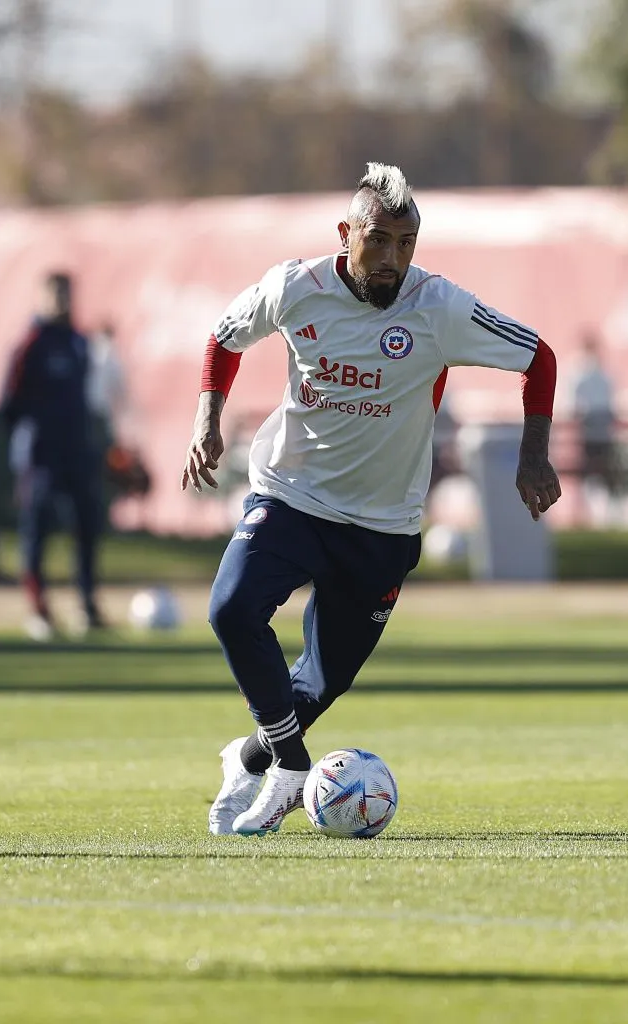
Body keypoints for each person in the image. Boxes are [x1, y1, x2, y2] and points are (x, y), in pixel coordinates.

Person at [182, 163, 561, 836]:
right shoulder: (294, 288)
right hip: (290, 495)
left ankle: (247, 760)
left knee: (318, 685)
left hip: (383, 526)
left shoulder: (438, 308)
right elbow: (223, 336)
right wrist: (207, 419)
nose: (392, 259)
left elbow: (539, 357)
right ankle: (293, 770)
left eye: (406, 243)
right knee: (232, 609)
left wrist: (533, 455)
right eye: (379, 240)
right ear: (345, 234)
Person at [1, 271, 104, 640]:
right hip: (41, 455)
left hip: (76, 451)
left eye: (67, 293)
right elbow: (8, 402)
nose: (62, 301)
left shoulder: (79, 341)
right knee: (37, 531)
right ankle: (39, 609)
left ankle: (87, 605)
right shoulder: (31, 343)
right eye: (56, 294)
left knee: (86, 526)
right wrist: (35, 434)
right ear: (43, 297)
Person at [565, 332, 617, 524]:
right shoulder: (585, 372)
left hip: (597, 429)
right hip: (590, 430)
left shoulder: (596, 373)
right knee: (589, 472)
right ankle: (589, 513)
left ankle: (598, 514)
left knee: (596, 472)